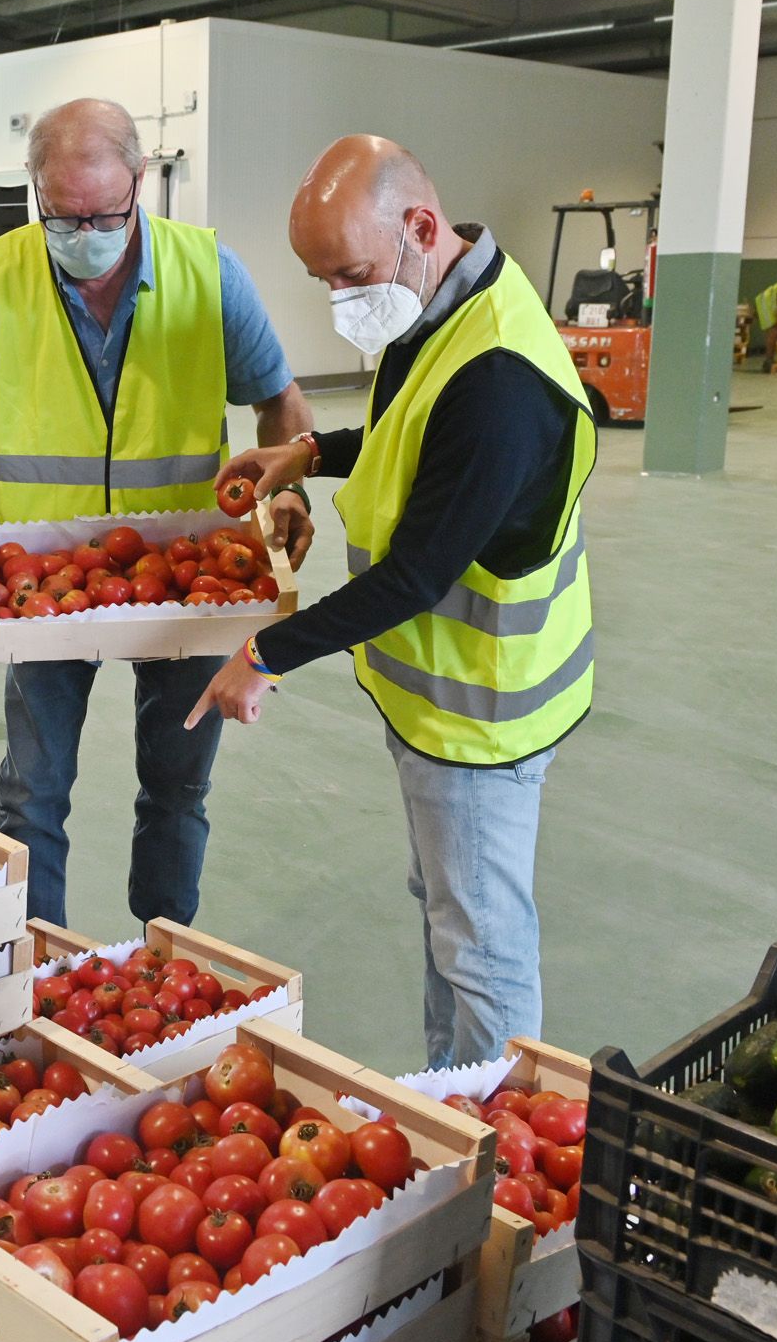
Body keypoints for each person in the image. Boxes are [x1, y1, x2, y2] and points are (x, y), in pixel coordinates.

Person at [187, 136, 598, 1067]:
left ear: (419, 225)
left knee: (480, 939)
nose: (341, 299)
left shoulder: (498, 379)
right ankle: (451, 1089)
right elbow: (406, 439)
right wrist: (307, 453)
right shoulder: (437, 300)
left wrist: (263, 654)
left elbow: (414, 575)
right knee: (448, 910)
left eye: (350, 273)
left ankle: (497, 1131)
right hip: (435, 699)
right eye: (322, 279)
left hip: (481, 709)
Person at [0, 97, 318, 928]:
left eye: (104, 213)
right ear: (34, 189)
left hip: (188, 572)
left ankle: (158, 958)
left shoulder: (207, 271)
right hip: (42, 576)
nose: (83, 233)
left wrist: (286, 489)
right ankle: (34, 972)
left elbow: (281, 402)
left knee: (177, 785)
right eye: (60, 216)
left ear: (140, 180)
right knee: (32, 793)